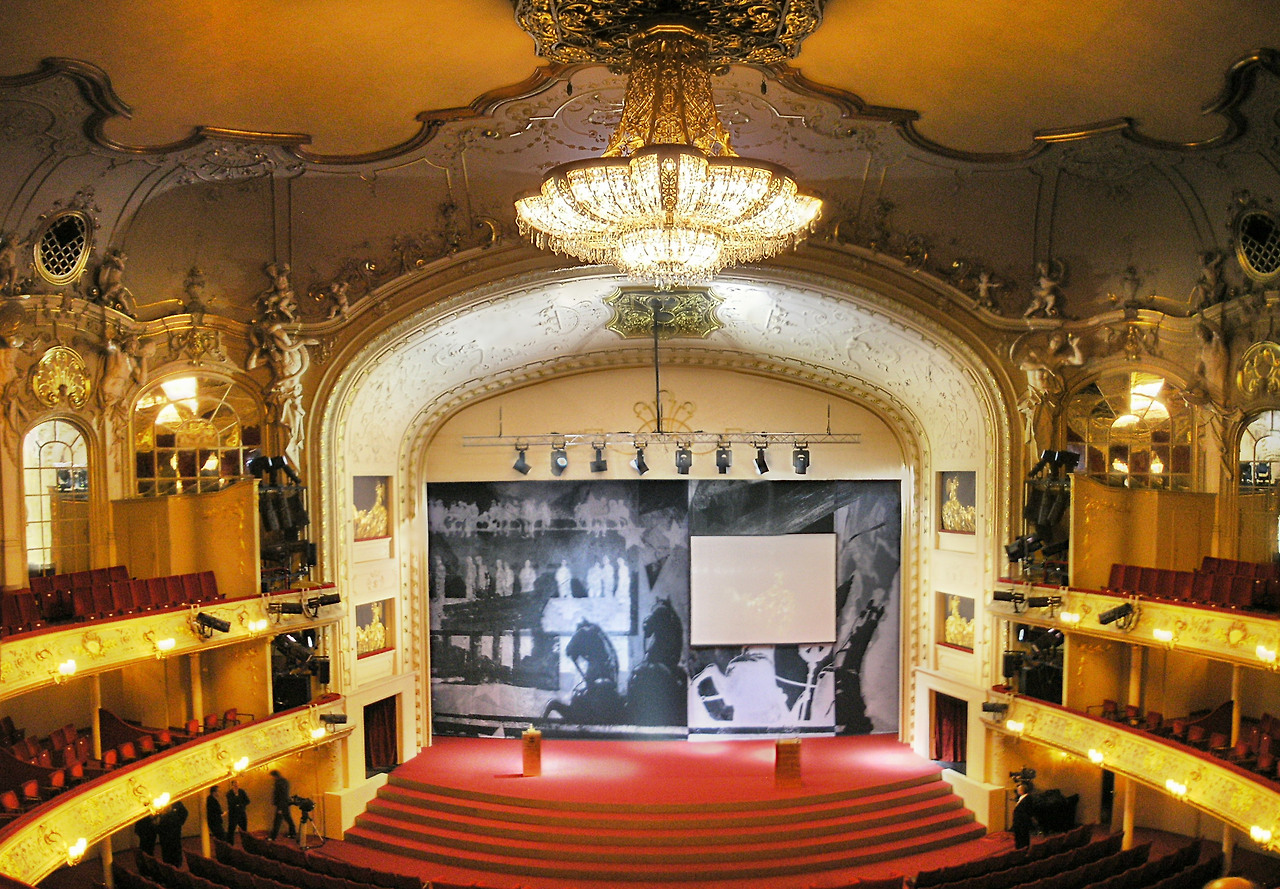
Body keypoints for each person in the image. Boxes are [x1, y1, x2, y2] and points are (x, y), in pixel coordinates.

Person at [156, 800, 188, 865]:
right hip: (164, 831)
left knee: (175, 848)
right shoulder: (158, 802)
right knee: (166, 850)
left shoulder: (175, 802)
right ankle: (168, 863)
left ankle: (176, 863)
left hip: (174, 831)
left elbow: (184, 812)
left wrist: (178, 822)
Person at [269, 770, 296, 840]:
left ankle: (273, 837)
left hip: (281, 804)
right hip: (285, 804)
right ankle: (292, 833)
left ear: (275, 776)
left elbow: (281, 795)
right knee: (288, 819)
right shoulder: (284, 781)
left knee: (277, 821)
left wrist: (280, 808)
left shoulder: (279, 783)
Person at [225, 780, 249, 846]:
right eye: (235, 785)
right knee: (231, 830)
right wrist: (236, 796)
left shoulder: (242, 791)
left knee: (244, 829)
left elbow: (247, 801)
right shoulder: (229, 793)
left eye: (237, 784)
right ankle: (230, 844)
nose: (236, 786)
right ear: (232, 785)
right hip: (233, 814)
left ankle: (245, 844)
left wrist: (240, 805)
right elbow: (231, 803)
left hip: (241, 813)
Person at [1011, 782, 1034, 849]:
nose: (1017, 791)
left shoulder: (1026, 799)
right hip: (1019, 822)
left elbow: (1025, 812)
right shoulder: (1023, 798)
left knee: (1022, 837)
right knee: (1020, 837)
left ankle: (1022, 849)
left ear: (1022, 791)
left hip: (1022, 823)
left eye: (1018, 790)